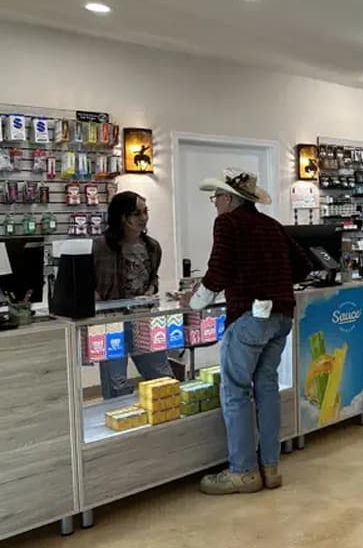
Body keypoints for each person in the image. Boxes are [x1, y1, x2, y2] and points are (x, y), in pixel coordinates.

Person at [184, 169, 310, 495]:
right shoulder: (271, 225)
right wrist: (271, 277)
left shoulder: (228, 223)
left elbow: (218, 271)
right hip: (281, 316)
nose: (215, 205)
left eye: (215, 199)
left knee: (236, 392)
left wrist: (194, 302)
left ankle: (243, 471)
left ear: (228, 199)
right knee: (266, 387)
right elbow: (303, 265)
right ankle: (270, 468)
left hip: (249, 317)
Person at [94, 191, 172, 399]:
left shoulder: (152, 246)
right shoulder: (100, 246)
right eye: (137, 213)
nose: (144, 218)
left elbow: (152, 278)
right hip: (111, 322)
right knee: (116, 383)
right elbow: (87, 281)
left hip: (144, 320)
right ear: (122, 217)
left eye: (145, 212)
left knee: (162, 377)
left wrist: (150, 291)